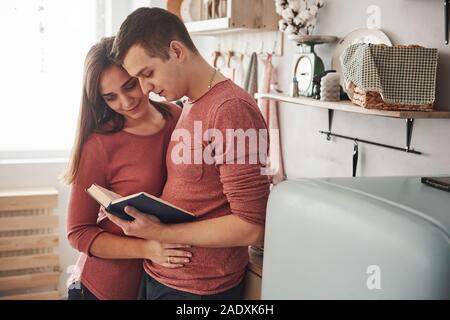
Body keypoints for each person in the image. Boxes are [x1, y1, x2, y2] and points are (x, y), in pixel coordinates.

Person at [108, 7, 271, 300]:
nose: (145, 89)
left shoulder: (231, 108)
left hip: (199, 290)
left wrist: (160, 233)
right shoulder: (193, 103)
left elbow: (252, 227)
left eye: (148, 74)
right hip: (163, 277)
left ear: (176, 50)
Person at [63, 37, 191, 300]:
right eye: (111, 97)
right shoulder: (98, 144)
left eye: (130, 85)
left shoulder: (177, 117)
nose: (126, 101)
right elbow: (78, 233)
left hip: (164, 283)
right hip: (106, 288)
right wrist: (148, 249)